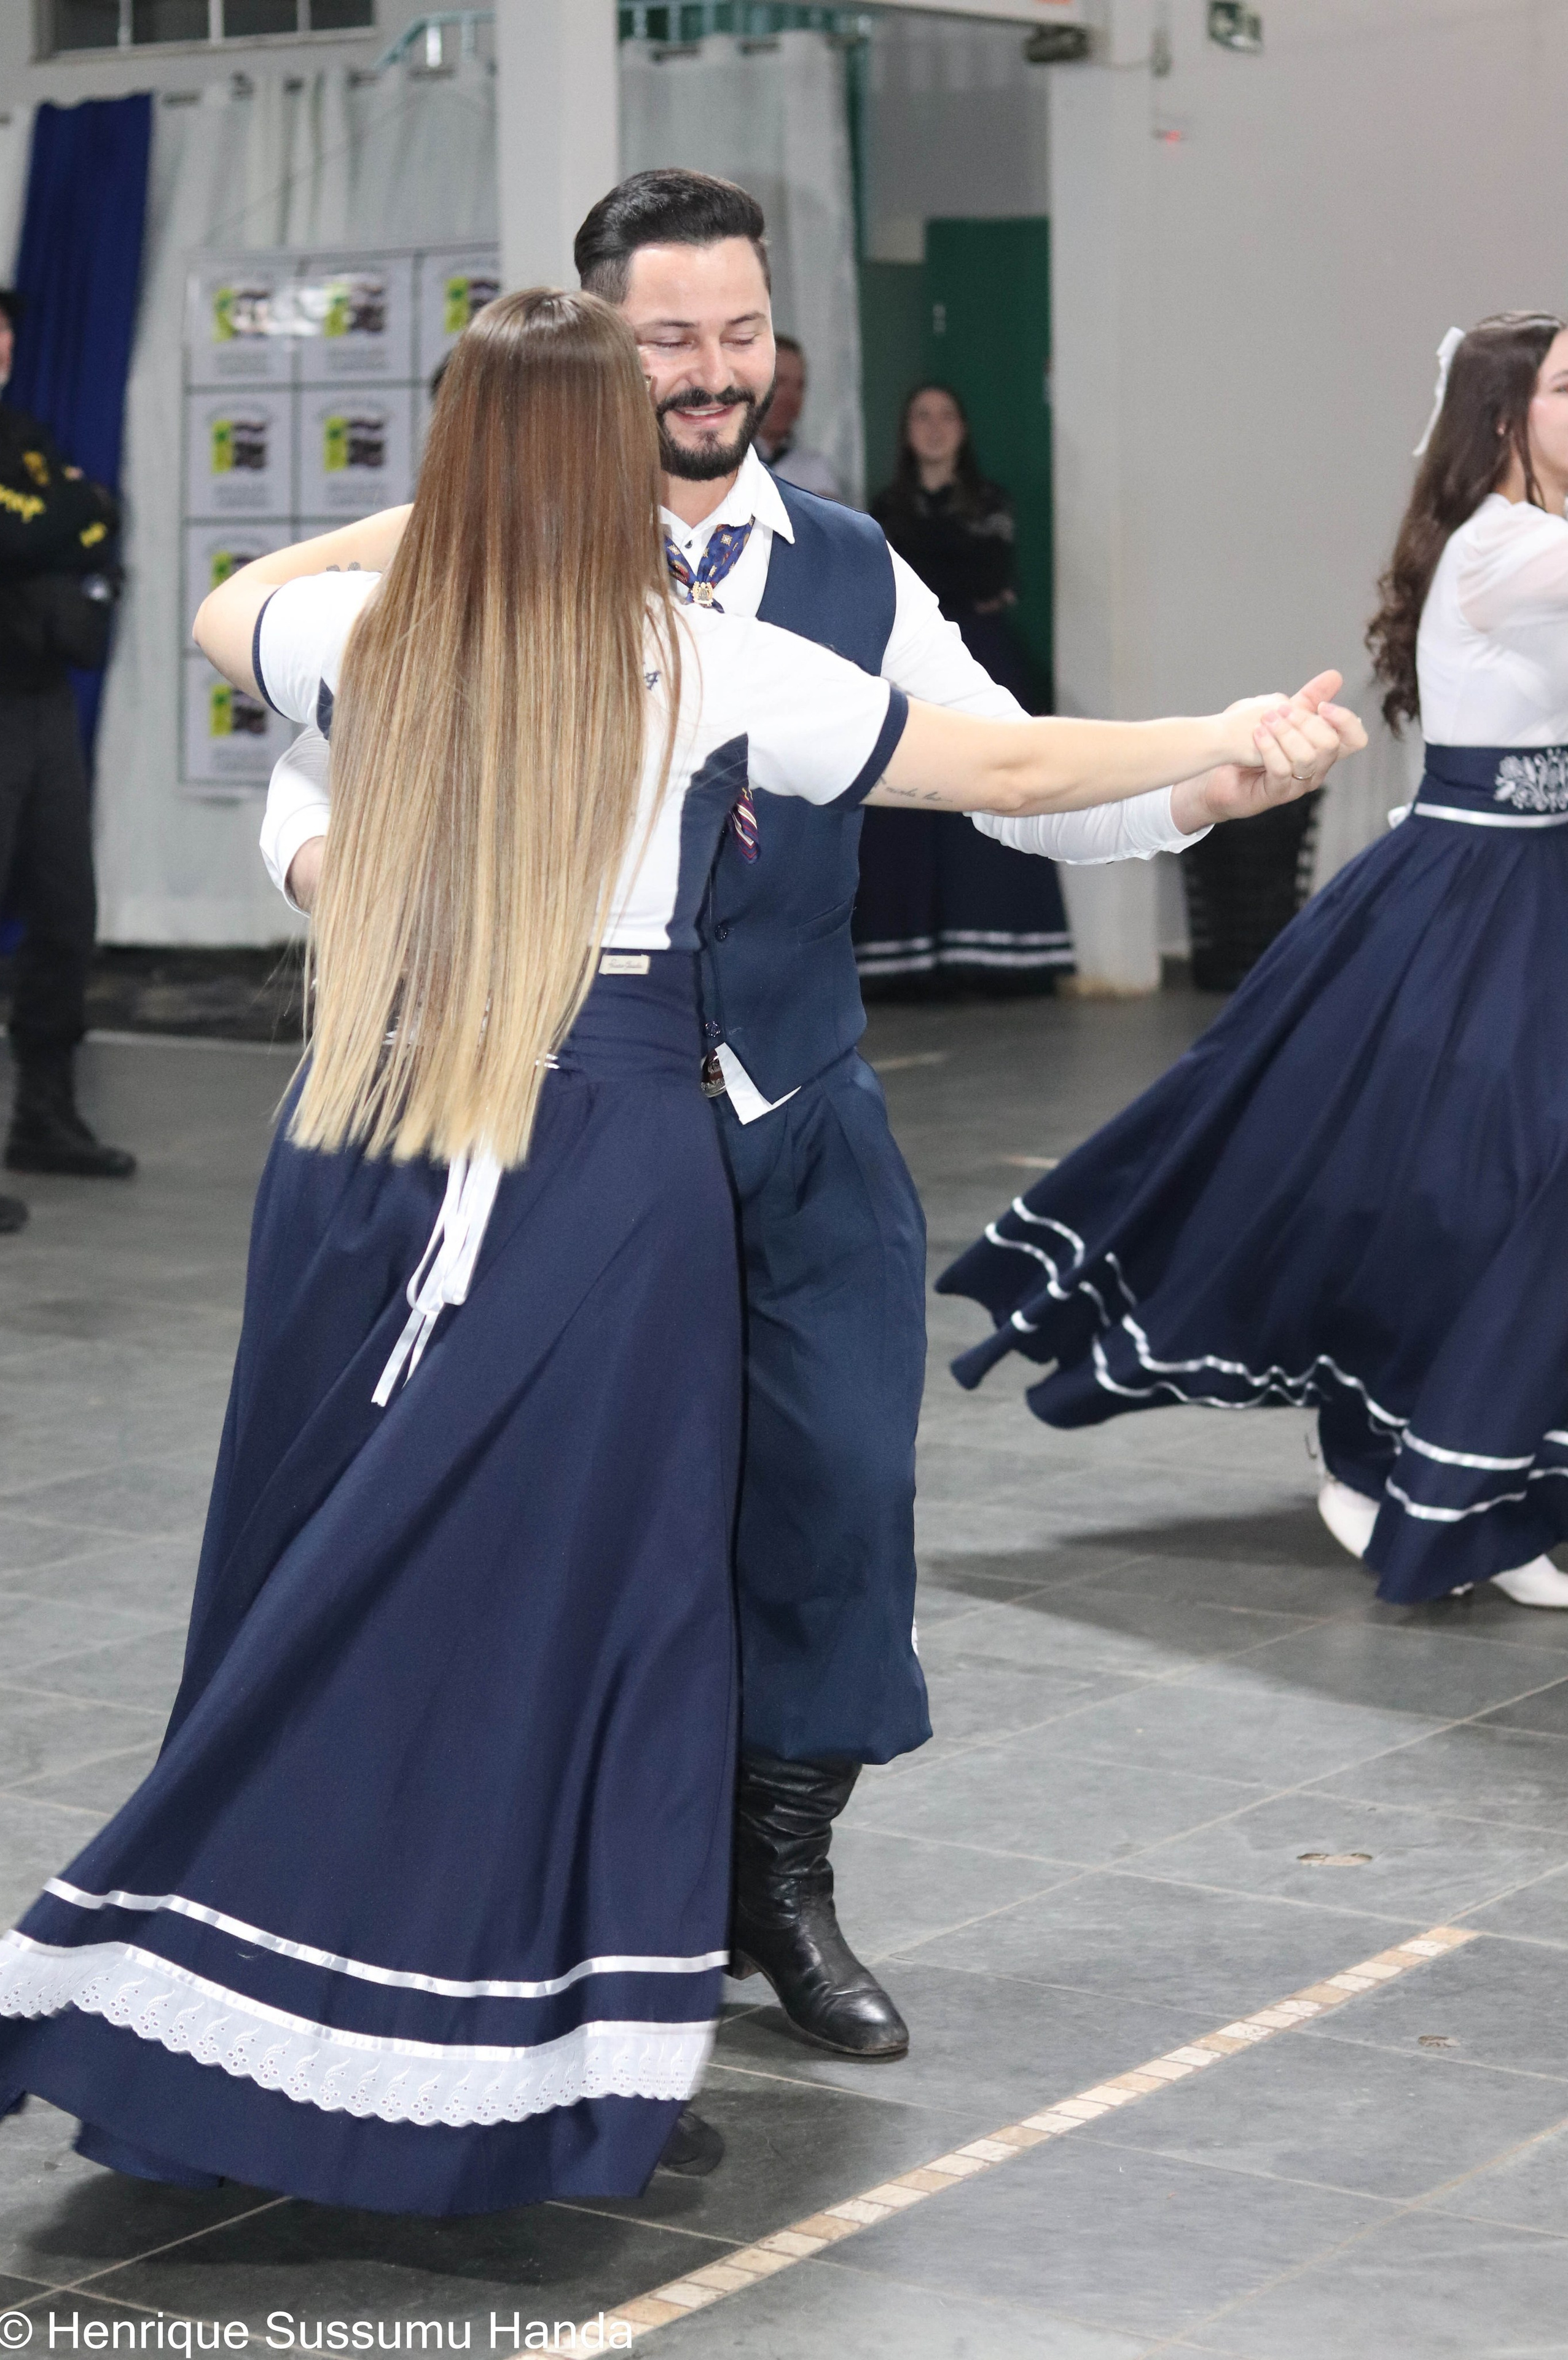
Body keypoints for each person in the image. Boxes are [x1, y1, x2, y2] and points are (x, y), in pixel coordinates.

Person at [0, 284, 1339, 2214]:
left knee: (335, 1582)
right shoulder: (689, 652)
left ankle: (272, 1993)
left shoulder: (353, 623)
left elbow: (236, 596)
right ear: (604, 455)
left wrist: (446, 500)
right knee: (592, 1616)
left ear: (453, 450)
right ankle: (543, 2045)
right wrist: (1228, 742)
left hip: (365, 1153)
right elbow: (1007, 771)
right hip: (595, 1166)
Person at [262, 170, 1363, 2070]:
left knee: (838, 1502)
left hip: (797, 1122)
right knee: (577, 1530)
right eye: (670, 336)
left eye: (743, 332)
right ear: (595, 345)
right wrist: (350, 887)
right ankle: (574, 1894)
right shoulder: (476, 556)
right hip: (557, 1139)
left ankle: (777, 1877)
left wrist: (1210, 783)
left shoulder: (850, 566)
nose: (714, 373)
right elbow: (307, 776)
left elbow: (1013, 779)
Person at [940, 312, 1568, 1614]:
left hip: (1537, 883)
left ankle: (1484, 1467)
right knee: (1464, 1186)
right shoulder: (1503, 548)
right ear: (1501, 418)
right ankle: (1384, 1445)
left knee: (1509, 1192)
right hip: (1462, 901)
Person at [0, 286, 134, 1237]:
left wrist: (68, 516)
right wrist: (66, 518)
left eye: (6, 327)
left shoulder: (27, 435)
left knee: (65, 911)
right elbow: (27, 531)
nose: (1, 341)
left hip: (41, 702)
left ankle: (44, 1117)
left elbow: (96, 514)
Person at [858, 383, 1073, 994]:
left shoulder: (991, 500)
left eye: (946, 415)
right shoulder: (885, 507)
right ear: (905, 430)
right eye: (920, 416)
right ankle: (909, 962)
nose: (933, 427)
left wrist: (943, 567)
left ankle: (1001, 957)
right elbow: (903, 579)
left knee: (991, 789)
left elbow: (989, 572)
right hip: (904, 666)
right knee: (911, 797)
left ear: (963, 429)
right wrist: (954, 565)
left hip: (984, 659)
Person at [754, 333, 841, 500]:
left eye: (799, 386)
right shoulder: (721, 465)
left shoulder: (816, 472)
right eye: (780, 383)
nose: (790, 398)